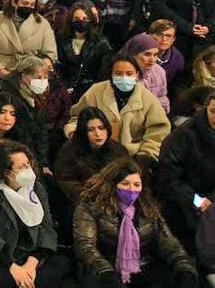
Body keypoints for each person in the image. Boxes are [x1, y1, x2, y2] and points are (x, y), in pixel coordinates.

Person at [73, 157, 198, 288]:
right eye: (125, 184)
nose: (131, 189)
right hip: (103, 270)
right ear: (112, 184)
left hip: (141, 267)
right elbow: (85, 246)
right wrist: (106, 273)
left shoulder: (147, 207)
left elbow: (169, 244)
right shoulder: (90, 207)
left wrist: (185, 269)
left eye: (137, 185)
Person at [0, 141, 68, 287]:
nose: (29, 169)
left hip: (31, 255)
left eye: (28, 164)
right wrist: (12, 266)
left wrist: (32, 263)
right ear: (5, 171)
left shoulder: (36, 188)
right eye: (22, 167)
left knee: (59, 267)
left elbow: (47, 226)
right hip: (0, 257)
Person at [65, 55, 171, 167]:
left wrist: (145, 155)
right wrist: (75, 133)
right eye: (118, 74)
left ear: (137, 75)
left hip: (132, 157)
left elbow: (158, 132)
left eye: (129, 73)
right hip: (94, 154)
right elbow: (76, 118)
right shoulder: (96, 92)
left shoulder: (148, 99)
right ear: (111, 75)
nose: (124, 77)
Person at [155, 89, 215, 244]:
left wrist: (211, 199)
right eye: (213, 111)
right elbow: (169, 178)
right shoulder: (182, 136)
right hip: (185, 201)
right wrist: (197, 201)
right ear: (205, 109)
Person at [54, 107, 128, 206]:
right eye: (91, 130)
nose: (98, 134)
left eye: (101, 128)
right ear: (83, 131)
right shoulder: (69, 151)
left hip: (113, 201)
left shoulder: (118, 150)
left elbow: (128, 176)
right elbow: (66, 180)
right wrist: (88, 197)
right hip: (81, 202)